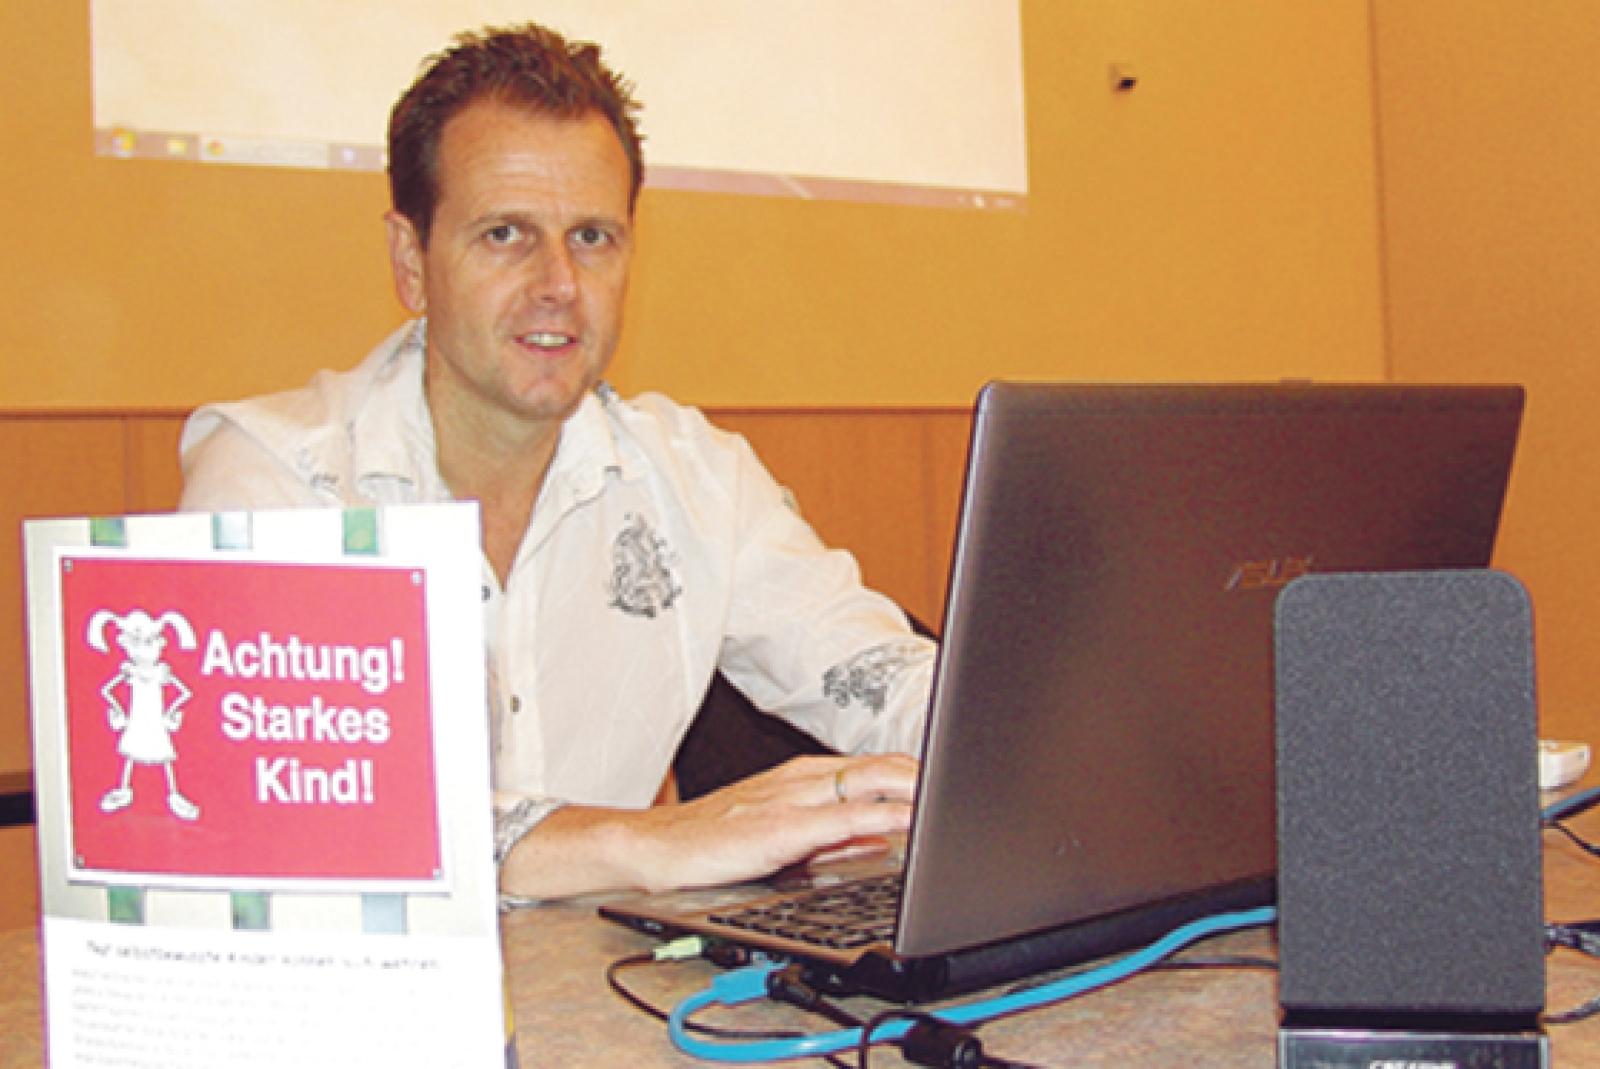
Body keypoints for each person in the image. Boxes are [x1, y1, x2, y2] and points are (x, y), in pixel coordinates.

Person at [178, 23, 935, 901]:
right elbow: (294, 815)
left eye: (593, 237)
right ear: (410, 261)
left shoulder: (698, 479)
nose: (559, 285)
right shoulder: (274, 480)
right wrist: (647, 842)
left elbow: (882, 679)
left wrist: (1016, 744)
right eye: (505, 233)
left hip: (602, 981)